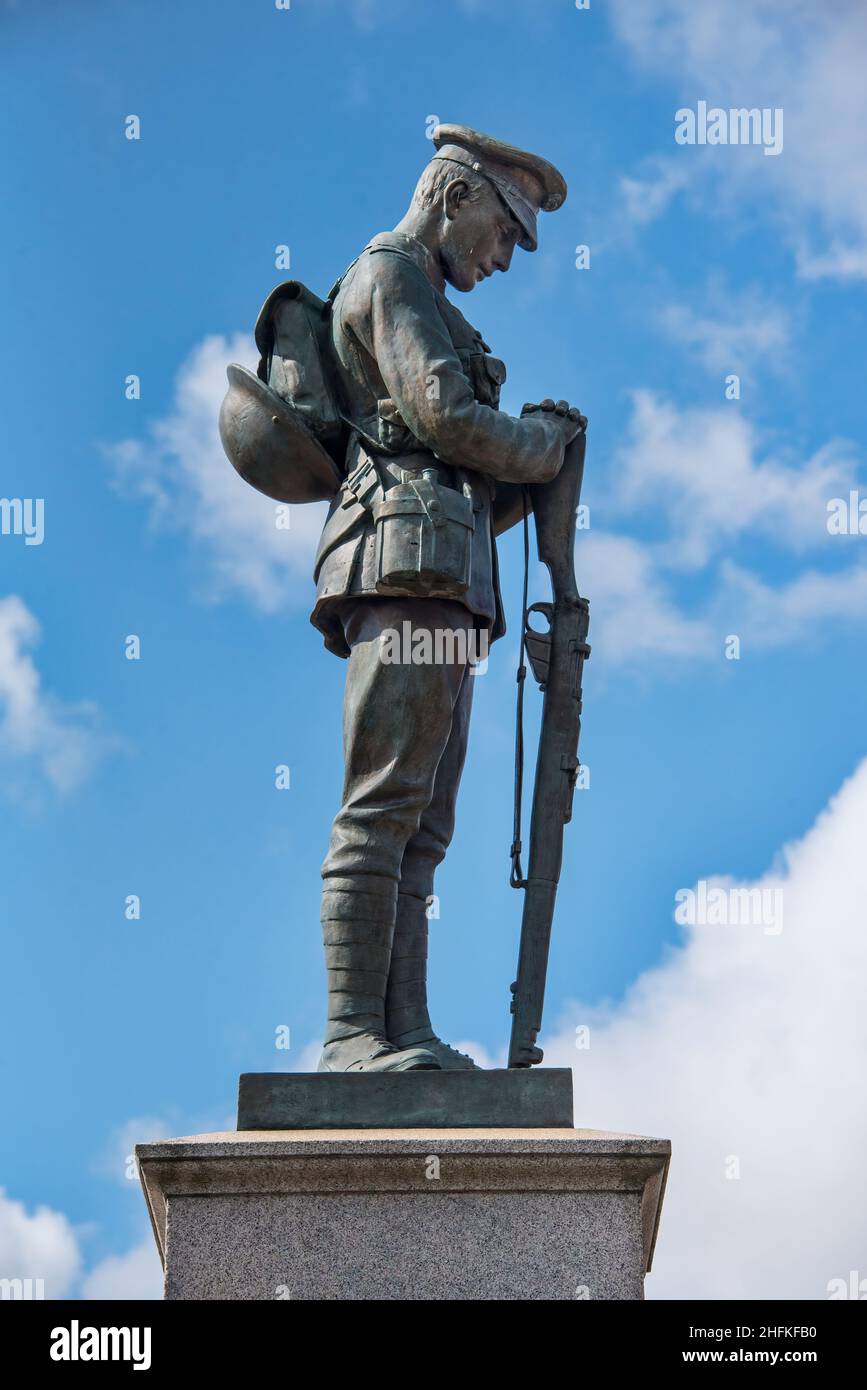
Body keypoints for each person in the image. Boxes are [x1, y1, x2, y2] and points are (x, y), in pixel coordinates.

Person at [312, 124, 585, 1072]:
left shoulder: (428, 289)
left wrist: (530, 464)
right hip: (403, 573)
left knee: (424, 823)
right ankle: (352, 1035)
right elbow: (442, 416)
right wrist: (537, 443)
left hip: (443, 576)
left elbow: (464, 478)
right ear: (453, 194)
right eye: (503, 233)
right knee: (384, 805)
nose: (502, 258)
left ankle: (406, 1033)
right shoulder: (391, 272)